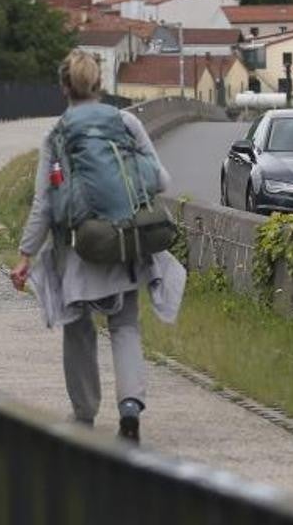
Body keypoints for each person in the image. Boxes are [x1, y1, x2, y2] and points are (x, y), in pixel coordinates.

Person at [10, 51, 185, 443]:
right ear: (100, 85)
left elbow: (43, 202)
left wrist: (25, 255)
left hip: (78, 247)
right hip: (124, 242)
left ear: (64, 88)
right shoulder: (126, 122)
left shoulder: (57, 135)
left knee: (78, 329)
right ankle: (129, 409)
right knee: (125, 326)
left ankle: (85, 414)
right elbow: (161, 180)